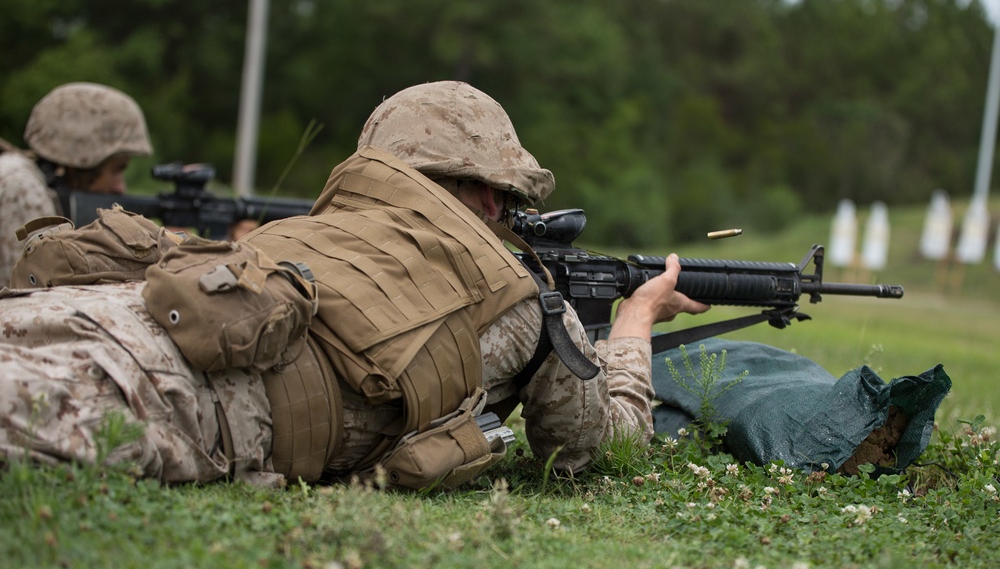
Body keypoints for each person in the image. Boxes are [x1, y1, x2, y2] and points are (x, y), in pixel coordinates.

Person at [0, 80, 708, 489]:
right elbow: (591, 448)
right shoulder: (521, 295)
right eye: (500, 198)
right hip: (147, 393)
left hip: (80, 312)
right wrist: (635, 324)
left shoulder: (309, 230)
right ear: (490, 195)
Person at [0, 82, 153, 286]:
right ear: (83, 161)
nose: (120, 187)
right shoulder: (20, 187)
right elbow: (35, 297)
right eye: (117, 169)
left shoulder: (24, 178)